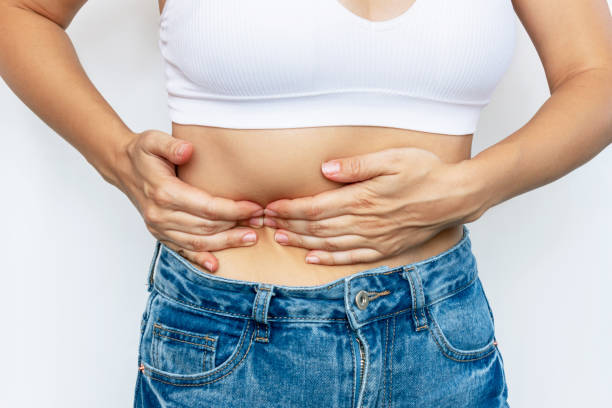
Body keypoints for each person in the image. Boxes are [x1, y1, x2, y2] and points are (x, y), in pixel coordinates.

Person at [1, 0, 610, 406]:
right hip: (228, 336)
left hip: (437, 335)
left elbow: (597, 74)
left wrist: (473, 188)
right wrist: (117, 160)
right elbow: (21, 12)